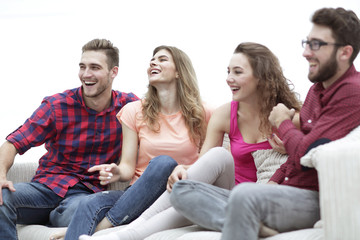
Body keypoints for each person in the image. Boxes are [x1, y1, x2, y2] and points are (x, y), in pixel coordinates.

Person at [170, 7, 360, 240]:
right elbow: (295, 157)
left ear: (345, 52)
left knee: (244, 195)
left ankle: (245, 216)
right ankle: (251, 223)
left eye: (316, 45)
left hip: (314, 198)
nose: (306, 53)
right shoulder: (316, 90)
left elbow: (308, 153)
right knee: (183, 190)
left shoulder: (352, 92)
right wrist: (272, 182)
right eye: (306, 43)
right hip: (284, 192)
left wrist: (283, 123)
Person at [79, 42, 302, 240]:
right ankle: (125, 233)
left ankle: (124, 235)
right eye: (228, 71)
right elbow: (206, 162)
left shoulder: (288, 117)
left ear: (261, 77)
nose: (228, 78)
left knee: (188, 195)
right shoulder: (225, 114)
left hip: (260, 198)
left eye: (237, 72)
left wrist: (291, 140)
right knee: (213, 161)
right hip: (227, 191)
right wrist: (183, 169)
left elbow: (310, 151)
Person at [58, 45, 212, 240]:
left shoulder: (204, 113)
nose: (153, 62)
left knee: (164, 163)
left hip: (176, 194)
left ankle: (101, 229)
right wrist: (116, 171)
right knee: (88, 203)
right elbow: (128, 169)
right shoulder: (134, 110)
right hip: (137, 196)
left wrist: (182, 168)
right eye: (152, 59)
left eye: (162, 59)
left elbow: (211, 163)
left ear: (179, 72)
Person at [0, 39, 139, 240]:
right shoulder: (57, 105)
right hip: (45, 188)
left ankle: (54, 218)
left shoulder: (129, 107)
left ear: (113, 72)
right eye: (82, 67)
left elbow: (160, 128)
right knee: (2, 198)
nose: (86, 74)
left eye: (95, 67)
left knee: (83, 210)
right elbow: (13, 143)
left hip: (84, 197)